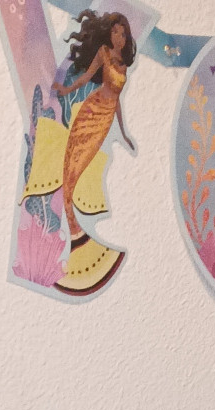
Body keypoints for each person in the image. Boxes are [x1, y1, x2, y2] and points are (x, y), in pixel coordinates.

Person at [54, 11, 136, 250]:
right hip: (92, 109)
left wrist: (123, 133)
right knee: (72, 161)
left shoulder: (124, 66)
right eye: (115, 32)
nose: (119, 37)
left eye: (123, 34)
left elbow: (117, 101)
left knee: (82, 164)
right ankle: (72, 229)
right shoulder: (103, 53)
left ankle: (73, 226)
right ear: (109, 34)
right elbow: (86, 78)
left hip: (105, 119)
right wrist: (66, 90)